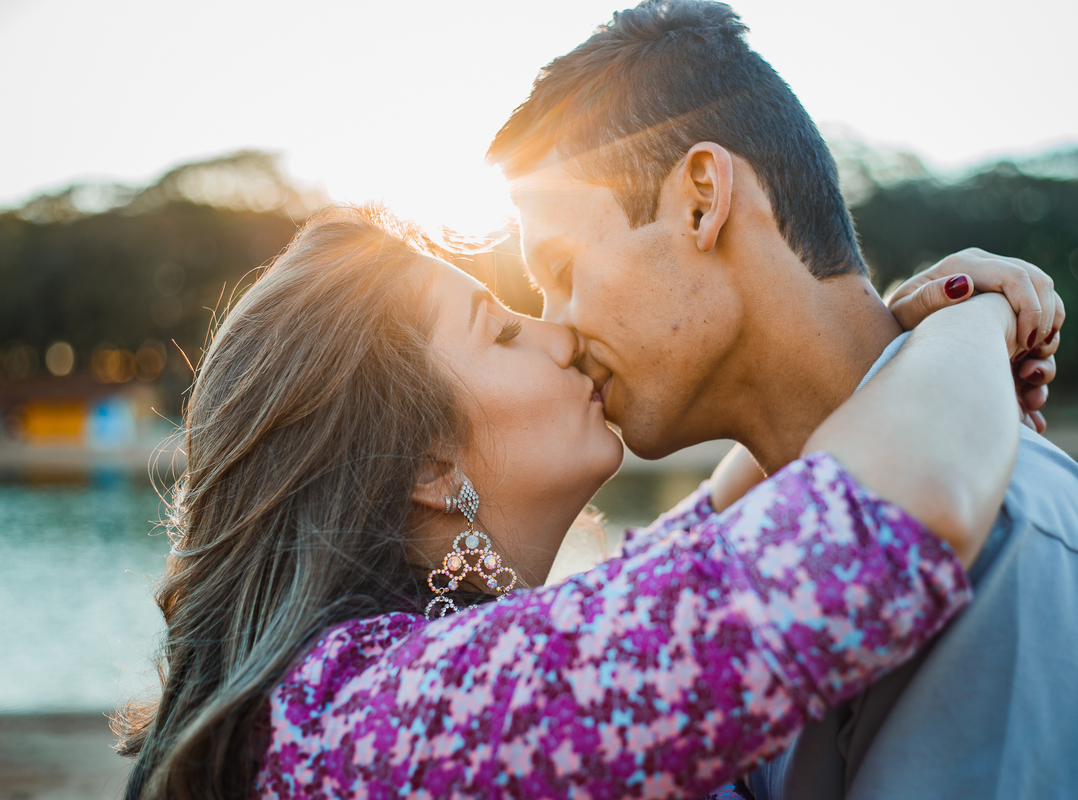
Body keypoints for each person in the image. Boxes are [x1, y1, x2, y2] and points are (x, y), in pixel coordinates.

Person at [485, 2, 1078, 798]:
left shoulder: (1004, 535)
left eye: (563, 272)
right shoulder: (762, 557)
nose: (559, 333)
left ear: (700, 200)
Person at [117, 205, 1030, 799]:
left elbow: (697, 548)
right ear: (428, 462)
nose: (558, 336)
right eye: (506, 331)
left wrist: (896, 341)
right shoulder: (368, 718)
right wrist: (974, 320)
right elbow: (871, 532)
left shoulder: (354, 692)